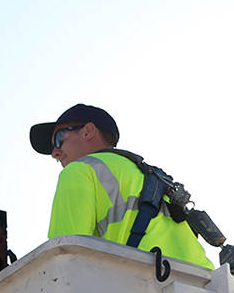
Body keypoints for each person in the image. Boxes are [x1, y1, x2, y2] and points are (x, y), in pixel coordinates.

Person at [29, 103, 213, 269]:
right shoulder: (150, 176)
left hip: (145, 287)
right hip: (206, 287)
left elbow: (63, 256)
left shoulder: (80, 171)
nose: (55, 152)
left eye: (58, 139)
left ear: (88, 131)